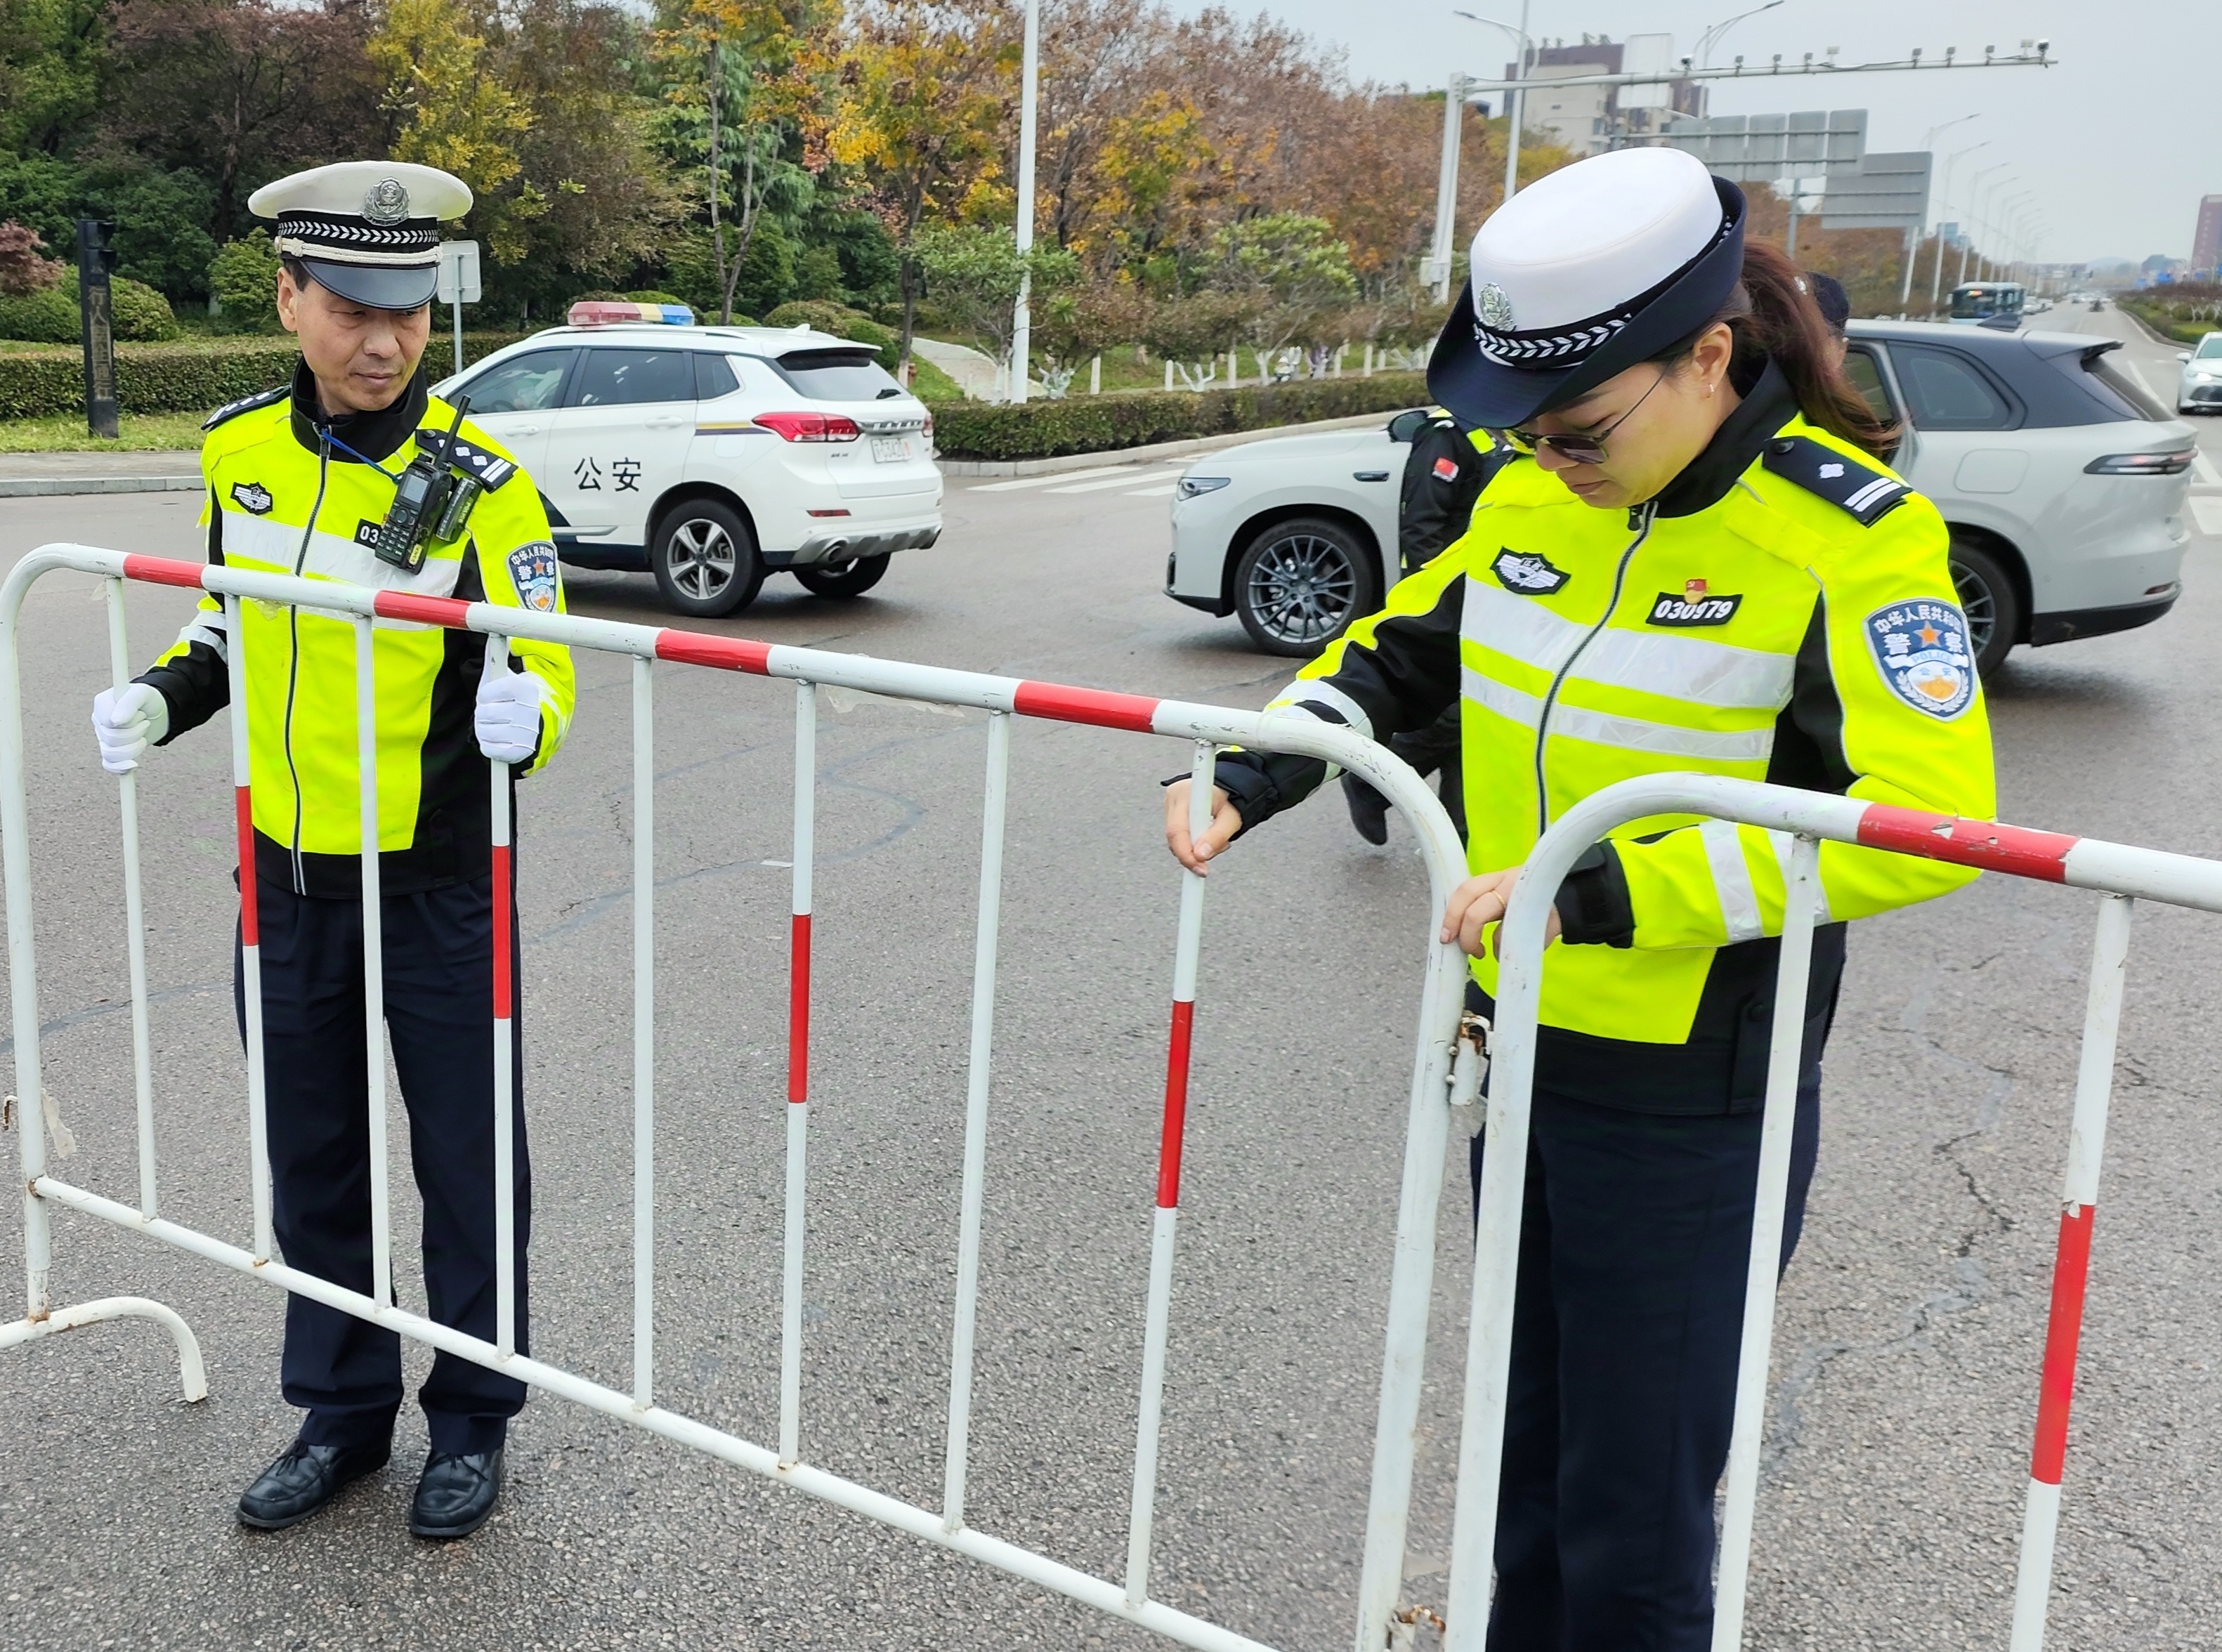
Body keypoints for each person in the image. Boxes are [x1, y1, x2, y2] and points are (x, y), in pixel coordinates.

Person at [1165, 146, 1994, 1648]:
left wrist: (1602, 888)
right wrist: (1258, 763)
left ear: (1709, 356)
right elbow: (1401, 657)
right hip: (1519, 1048)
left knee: (1633, 1520)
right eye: (1526, 428)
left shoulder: (1849, 539)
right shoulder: (1533, 502)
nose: (1550, 454)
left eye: (1580, 426)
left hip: (1691, 1098)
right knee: (1527, 1473)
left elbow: (1929, 824)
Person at [88, 161, 577, 1541]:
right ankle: (344, 1411)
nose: (385, 342)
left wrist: (525, 704)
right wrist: (162, 696)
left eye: (410, 313)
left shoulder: (482, 484)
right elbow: (228, 628)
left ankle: (473, 1417)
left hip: (438, 877)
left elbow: (546, 660)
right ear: (291, 297)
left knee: (468, 1157)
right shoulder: (240, 451)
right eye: (355, 308)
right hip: (287, 874)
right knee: (314, 1154)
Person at [1340, 409, 1506, 844]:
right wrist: (1436, 605)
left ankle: (1463, 828)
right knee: (1461, 709)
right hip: (1449, 598)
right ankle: (1375, 779)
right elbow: (1422, 527)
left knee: (1476, 716)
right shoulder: (1450, 433)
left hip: (1494, 590)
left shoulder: (1517, 429)